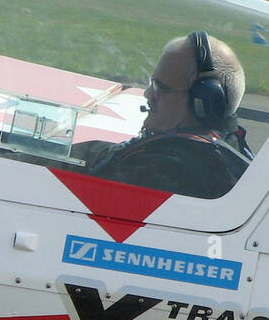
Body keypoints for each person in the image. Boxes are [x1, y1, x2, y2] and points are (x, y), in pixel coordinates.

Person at [89, 32, 251, 199]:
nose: (148, 94)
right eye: (153, 83)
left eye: (162, 88)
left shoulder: (168, 171)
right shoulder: (228, 145)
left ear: (202, 102)